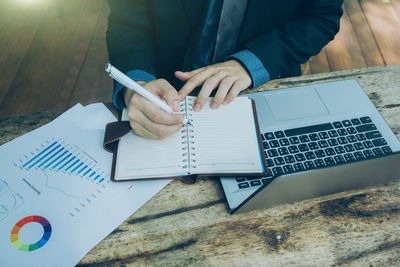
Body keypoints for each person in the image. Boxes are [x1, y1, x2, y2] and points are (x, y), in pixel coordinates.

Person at [106, 0, 343, 139]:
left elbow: (320, 17)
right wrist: (136, 83)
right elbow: (127, 17)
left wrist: (249, 63)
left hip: (262, 84)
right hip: (161, 88)